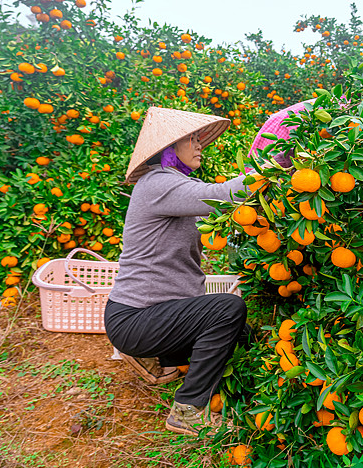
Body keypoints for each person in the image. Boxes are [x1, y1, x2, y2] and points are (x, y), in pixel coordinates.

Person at [104, 106, 254, 436]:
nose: (200, 144)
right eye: (192, 139)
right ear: (169, 147)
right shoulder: (158, 183)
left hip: (157, 314)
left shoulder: (177, 188)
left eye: (200, 138)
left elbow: (220, 223)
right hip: (135, 318)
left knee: (242, 335)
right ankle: (187, 411)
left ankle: (165, 359)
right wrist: (273, 173)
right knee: (227, 309)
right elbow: (220, 196)